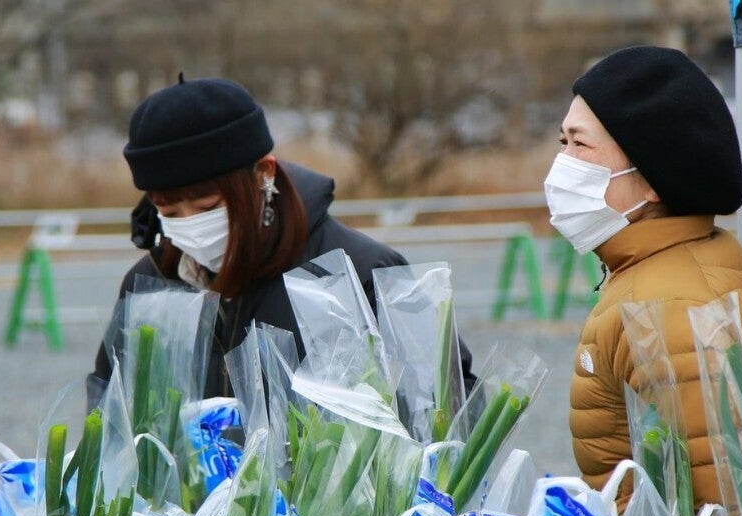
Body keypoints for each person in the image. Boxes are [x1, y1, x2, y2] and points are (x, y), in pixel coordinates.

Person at [90, 75, 473, 401]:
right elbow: (113, 413)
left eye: (208, 207)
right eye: (170, 213)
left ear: (264, 173)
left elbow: (448, 407)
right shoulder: (150, 286)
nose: (191, 226)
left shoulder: (360, 273)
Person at [545, 45, 742, 511]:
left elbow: (723, 511)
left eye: (580, 145)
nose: (562, 163)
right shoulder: (669, 261)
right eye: (562, 142)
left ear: (652, 179)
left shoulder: (672, 304)